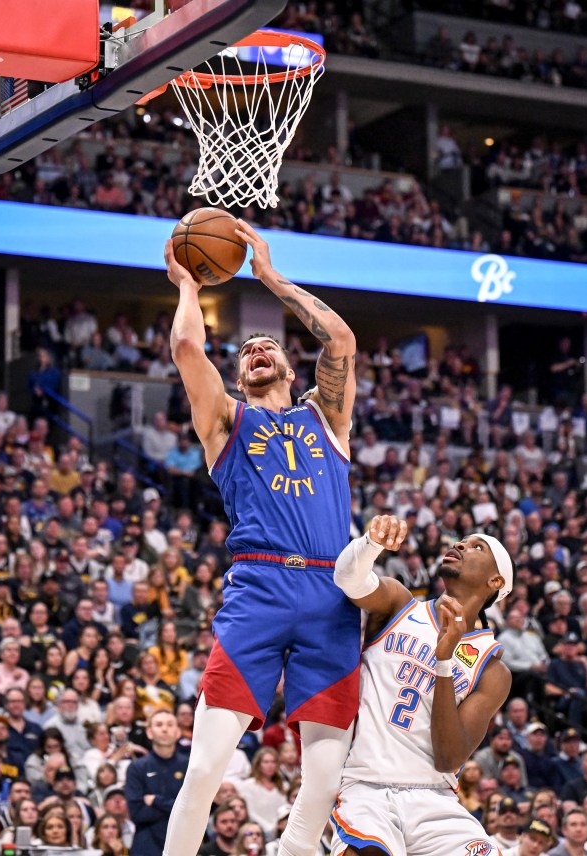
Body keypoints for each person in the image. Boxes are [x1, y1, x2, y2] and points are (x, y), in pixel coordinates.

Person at [163, 220, 360, 856]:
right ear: (239, 373)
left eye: (266, 345)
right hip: (260, 586)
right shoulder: (226, 420)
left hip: (331, 594)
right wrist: (188, 286)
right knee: (204, 767)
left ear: (286, 363)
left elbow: (342, 339)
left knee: (325, 780)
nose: (256, 349)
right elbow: (190, 353)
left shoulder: (325, 416)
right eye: (245, 349)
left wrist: (271, 278)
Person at [330, 514, 516, 855]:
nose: (460, 544)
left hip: (435, 800)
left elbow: (448, 757)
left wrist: (444, 661)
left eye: (477, 547)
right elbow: (347, 579)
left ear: (495, 581)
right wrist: (370, 544)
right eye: (462, 540)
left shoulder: (492, 669)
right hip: (367, 787)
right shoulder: (399, 603)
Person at [125, 709, 190, 856]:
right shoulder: (137, 768)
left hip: (183, 843)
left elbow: (192, 809)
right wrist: (175, 806)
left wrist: (156, 800)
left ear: (178, 732)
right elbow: (137, 813)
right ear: (149, 732)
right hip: (146, 845)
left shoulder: (189, 767)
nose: (165, 729)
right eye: (159, 724)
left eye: (170, 724)